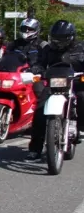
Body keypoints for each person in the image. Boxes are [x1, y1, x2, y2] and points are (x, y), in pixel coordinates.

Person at [26, 19, 84, 160]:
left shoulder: (80, 47)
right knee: (40, 111)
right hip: (54, 83)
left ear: (70, 37)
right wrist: (36, 69)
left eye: (61, 39)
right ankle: (35, 149)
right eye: (55, 38)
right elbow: (40, 63)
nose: (58, 42)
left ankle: (81, 128)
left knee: (83, 97)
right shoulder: (48, 49)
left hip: (76, 81)